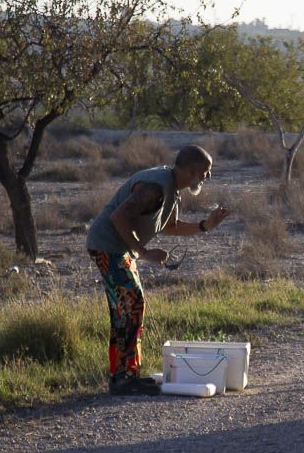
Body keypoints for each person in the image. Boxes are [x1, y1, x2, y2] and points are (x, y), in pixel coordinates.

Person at [86, 145, 231, 395]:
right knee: (131, 303)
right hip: (107, 247)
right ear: (191, 171)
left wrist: (205, 225)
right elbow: (118, 217)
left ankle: (127, 376)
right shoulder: (155, 188)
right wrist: (144, 252)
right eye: (206, 172)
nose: (208, 177)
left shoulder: (172, 188)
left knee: (130, 306)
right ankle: (123, 380)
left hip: (120, 250)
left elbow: (170, 226)